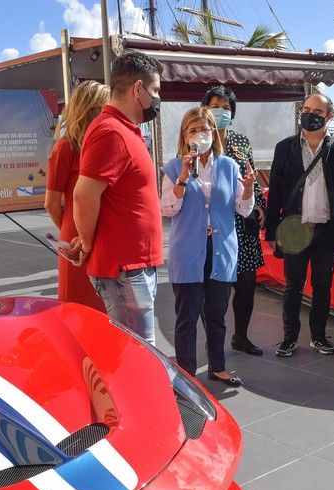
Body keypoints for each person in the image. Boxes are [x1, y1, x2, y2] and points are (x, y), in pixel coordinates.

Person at [73, 51, 164, 344]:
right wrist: (87, 242)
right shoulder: (110, 131)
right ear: (138, 89)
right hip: (125, 269)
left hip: (132, 268)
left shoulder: (125, 130)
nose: (157, 99)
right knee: (137, 357)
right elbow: (84, 196)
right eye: (156, 91)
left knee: (138, 354)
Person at [161, 107, 254, 387]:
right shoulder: (174, 167)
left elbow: (244, 209)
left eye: (204, 129)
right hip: (188, 252)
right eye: (193, 130)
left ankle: (218, 367)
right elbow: (167, 208)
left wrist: (248, 189)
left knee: (216, 315)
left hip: (221, 251)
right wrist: (183, 178)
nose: (199, 135)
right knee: (186, 317)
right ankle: (187, 376)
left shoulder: (229, 166)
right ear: (184, 135)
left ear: (214, 133)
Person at [265, 92, 334, 357]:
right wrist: (272, 232)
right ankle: (289, 338)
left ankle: (319, 337)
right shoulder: (285, 147)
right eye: (306, 109)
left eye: (317, 112)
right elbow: (275, 192)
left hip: (327, 231)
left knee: (322, 287)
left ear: (329, 116)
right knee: (292, 286)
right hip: (295, 229)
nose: (309, 115)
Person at [202, 85, 267, 356]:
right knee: (215, 290)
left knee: (246, 285)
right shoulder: (198, 141)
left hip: (243, 225)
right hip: (213, 226)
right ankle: (213, 342)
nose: (221, 112)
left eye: (226, 108)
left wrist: (260, 206)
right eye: (216, 107)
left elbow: (251, 176)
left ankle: (241, 336)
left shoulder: (241, 141)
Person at [44, 80, 109, 312]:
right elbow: (51, 204)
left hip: (102, 233)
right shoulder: (65, 147)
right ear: (91, 108)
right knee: (79, 308)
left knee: (106, 308)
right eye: (105, 105)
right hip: (75, 236)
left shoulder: (102, 145)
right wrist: (78, 235)